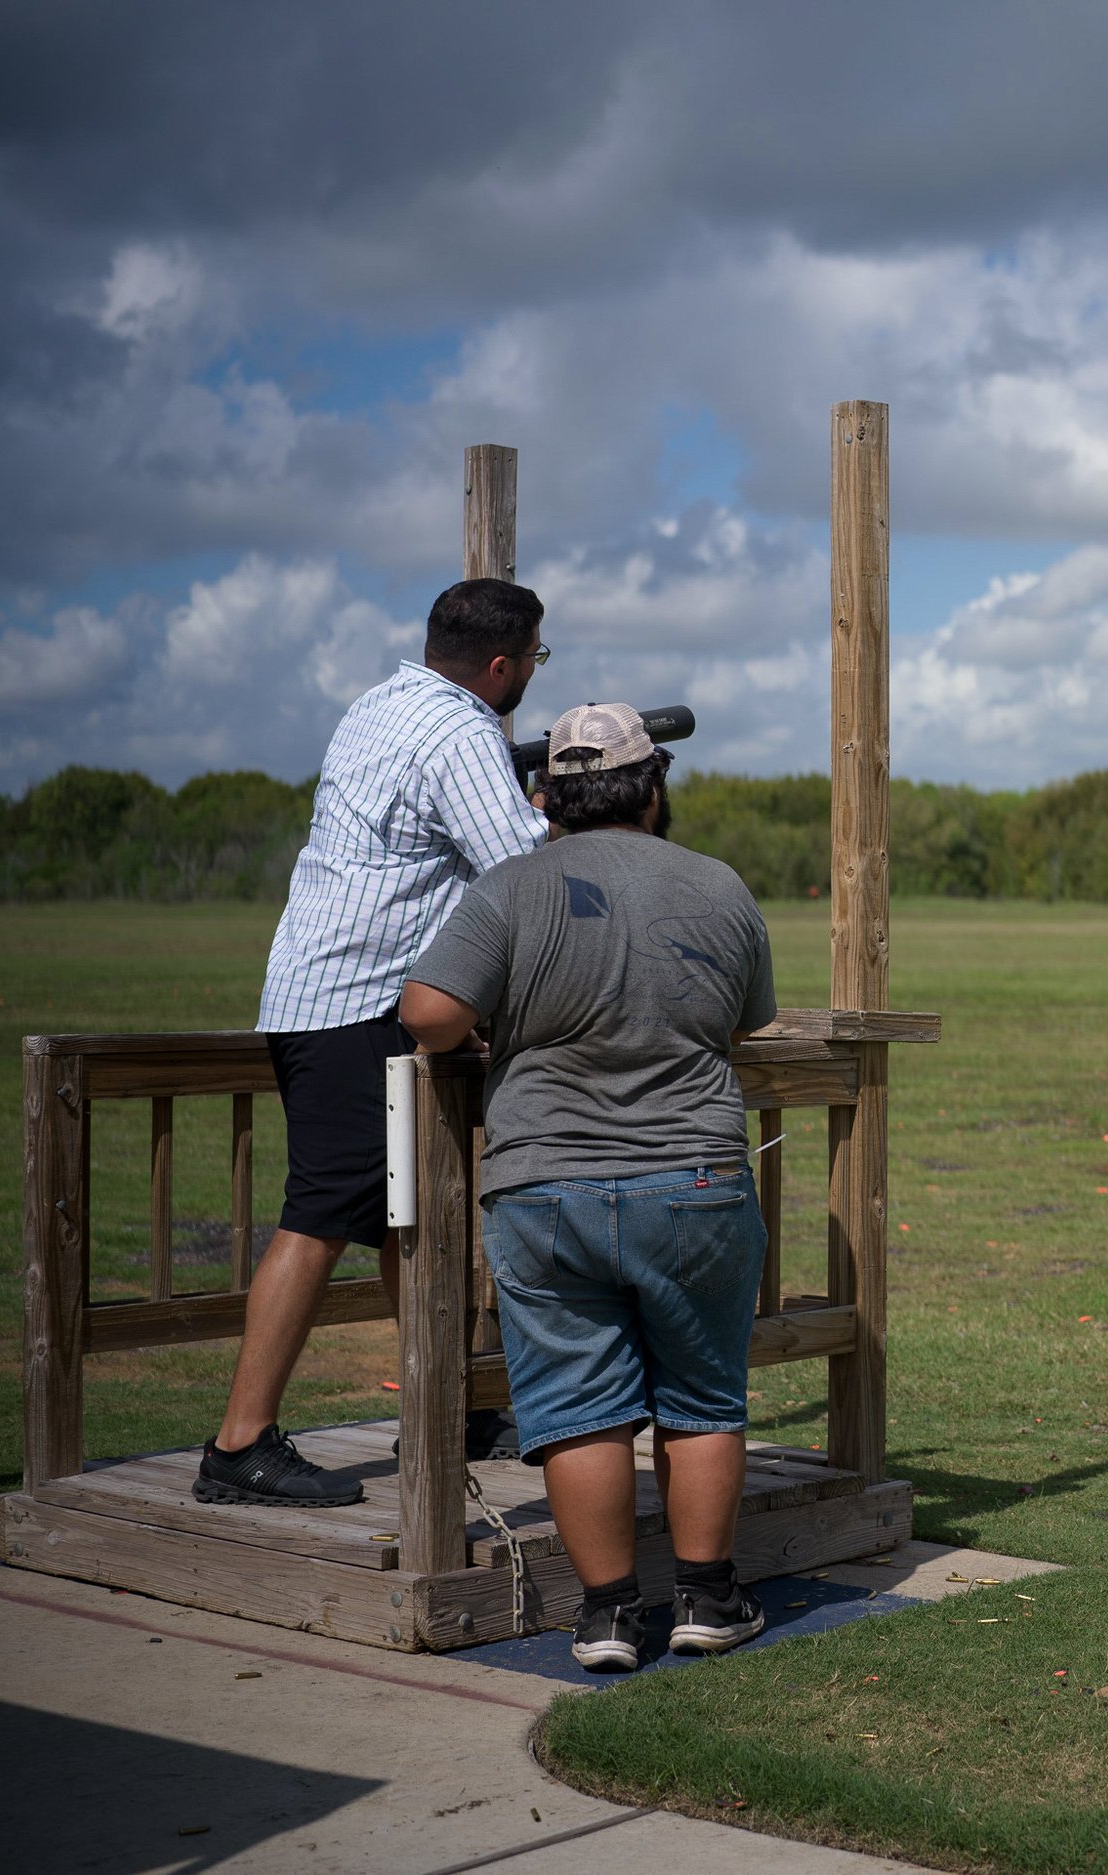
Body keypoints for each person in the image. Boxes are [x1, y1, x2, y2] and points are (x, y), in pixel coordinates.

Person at [401, 702, 778, 1672]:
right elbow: (746, 1018)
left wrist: (485, 1032)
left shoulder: (510, 886)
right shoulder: (720, 886)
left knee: (576, 1403)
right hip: (692, 1178)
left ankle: (608, 1615)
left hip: (543, 1183)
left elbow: (431, 1013)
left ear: (544, 796)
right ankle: (706, 1599)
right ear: (654, 788)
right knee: (701, 1393)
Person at [196, 580, 549, 1508]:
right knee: (317, 1218)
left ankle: (452, 1401)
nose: (531, 679)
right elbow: (520, 867)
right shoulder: (463, 731)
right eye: (535, 662)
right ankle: (239, 1442)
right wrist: (575, 809)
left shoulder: (384, 703)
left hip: (325, 994)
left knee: (409, 1220)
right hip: (354, 1003)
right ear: (503, 665)